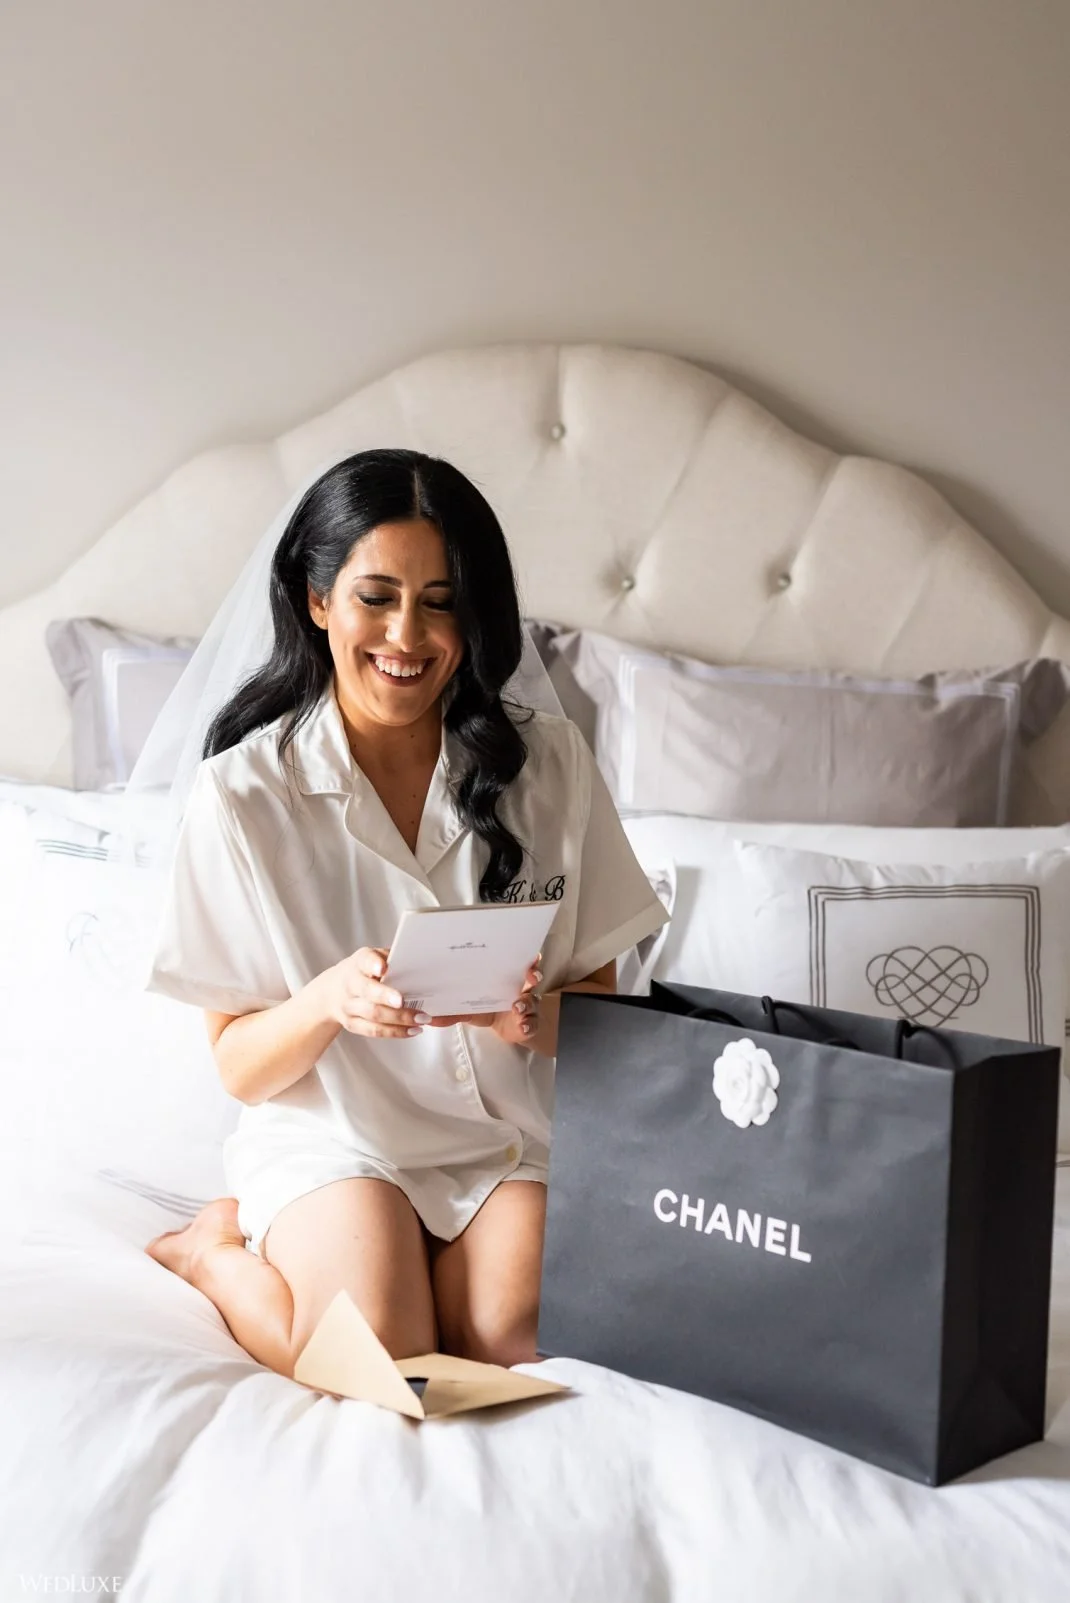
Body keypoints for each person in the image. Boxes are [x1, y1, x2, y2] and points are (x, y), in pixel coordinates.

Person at [143, 448, 668, 1380]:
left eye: (440, 600)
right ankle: (212, 1254)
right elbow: (237, 1064)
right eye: (375, 596)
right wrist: (324, 1003)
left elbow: (607, 1016)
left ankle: (423, 1267)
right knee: (379, 1355)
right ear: (316, 600)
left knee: (517, 1340)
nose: (408, 635)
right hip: (335, 1132)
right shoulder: (241, 796)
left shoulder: (549, 765)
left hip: (499, 1134)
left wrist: (528, 1015)